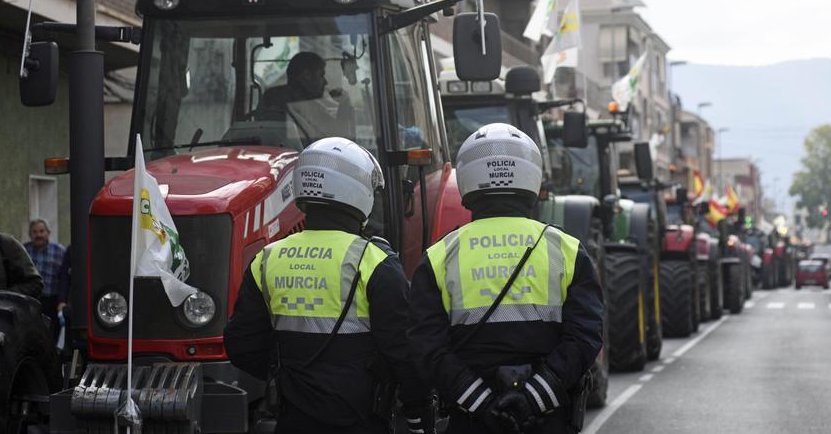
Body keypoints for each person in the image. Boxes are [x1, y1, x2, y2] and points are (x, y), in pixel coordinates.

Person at [224, 137, 433, 434]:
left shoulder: (267, 259)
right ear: (357, 192)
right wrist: (416, 410)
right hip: (361, 420)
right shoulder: (373, 262)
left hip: (291, 420)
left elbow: (241, 345)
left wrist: (285, 376)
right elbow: (404, 352)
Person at [408, 123, 604, 434]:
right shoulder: (567, 251)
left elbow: (427, 349)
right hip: (546, 419)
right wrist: (532, 400)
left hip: (471, 420)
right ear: (531, 176)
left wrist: (483, 405)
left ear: (468, 179)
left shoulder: (438, 257)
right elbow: (585, 338)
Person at [258, 51, 355, 141]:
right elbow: (338, 140)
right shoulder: (299, 104)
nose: (325, 82)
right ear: (307, 75)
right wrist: (344, 104)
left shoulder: (273, 96)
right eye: (321, 75)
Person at [23, 218, 69, 339]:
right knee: (33, 336)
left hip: (52, 302)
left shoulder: (59, 251)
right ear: (30, 234)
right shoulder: (23, 251)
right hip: (31, 301)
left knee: (52, 336)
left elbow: (64, 278)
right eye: (35, 232)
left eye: (41, 231)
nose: (38, 235)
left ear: (48, 233)